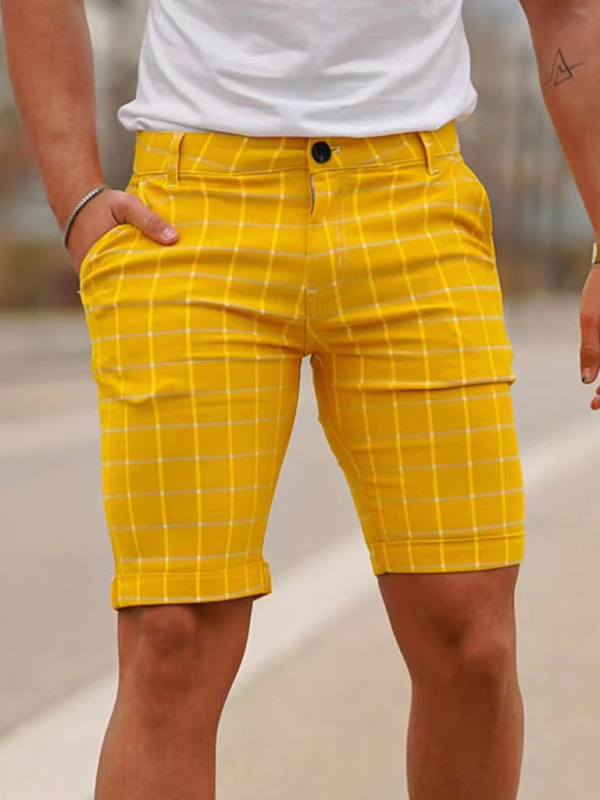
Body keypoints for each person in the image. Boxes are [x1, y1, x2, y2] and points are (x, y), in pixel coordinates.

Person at [2, 1, 599, 798]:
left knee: (474, 643)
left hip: (415, 203)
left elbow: (567, 11)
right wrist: (75, 198)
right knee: (173, 641)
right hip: (195, 207)